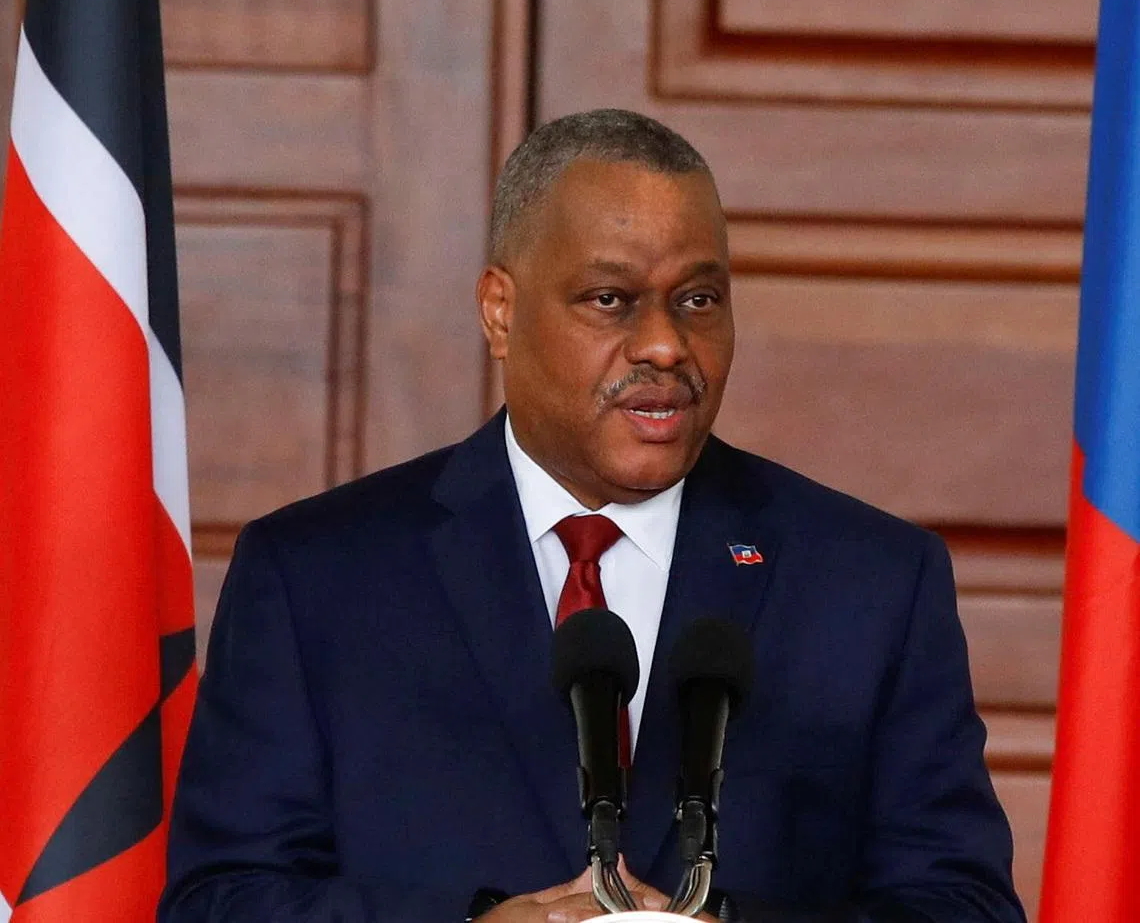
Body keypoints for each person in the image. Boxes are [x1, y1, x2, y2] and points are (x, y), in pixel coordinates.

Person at [160, 110, 1026, 923]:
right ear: (501, 312)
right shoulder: (316, 578)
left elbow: (959, 902)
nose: (664, 346)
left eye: (698, 300)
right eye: (611, 300)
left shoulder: (869, 581)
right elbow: (222, 900)